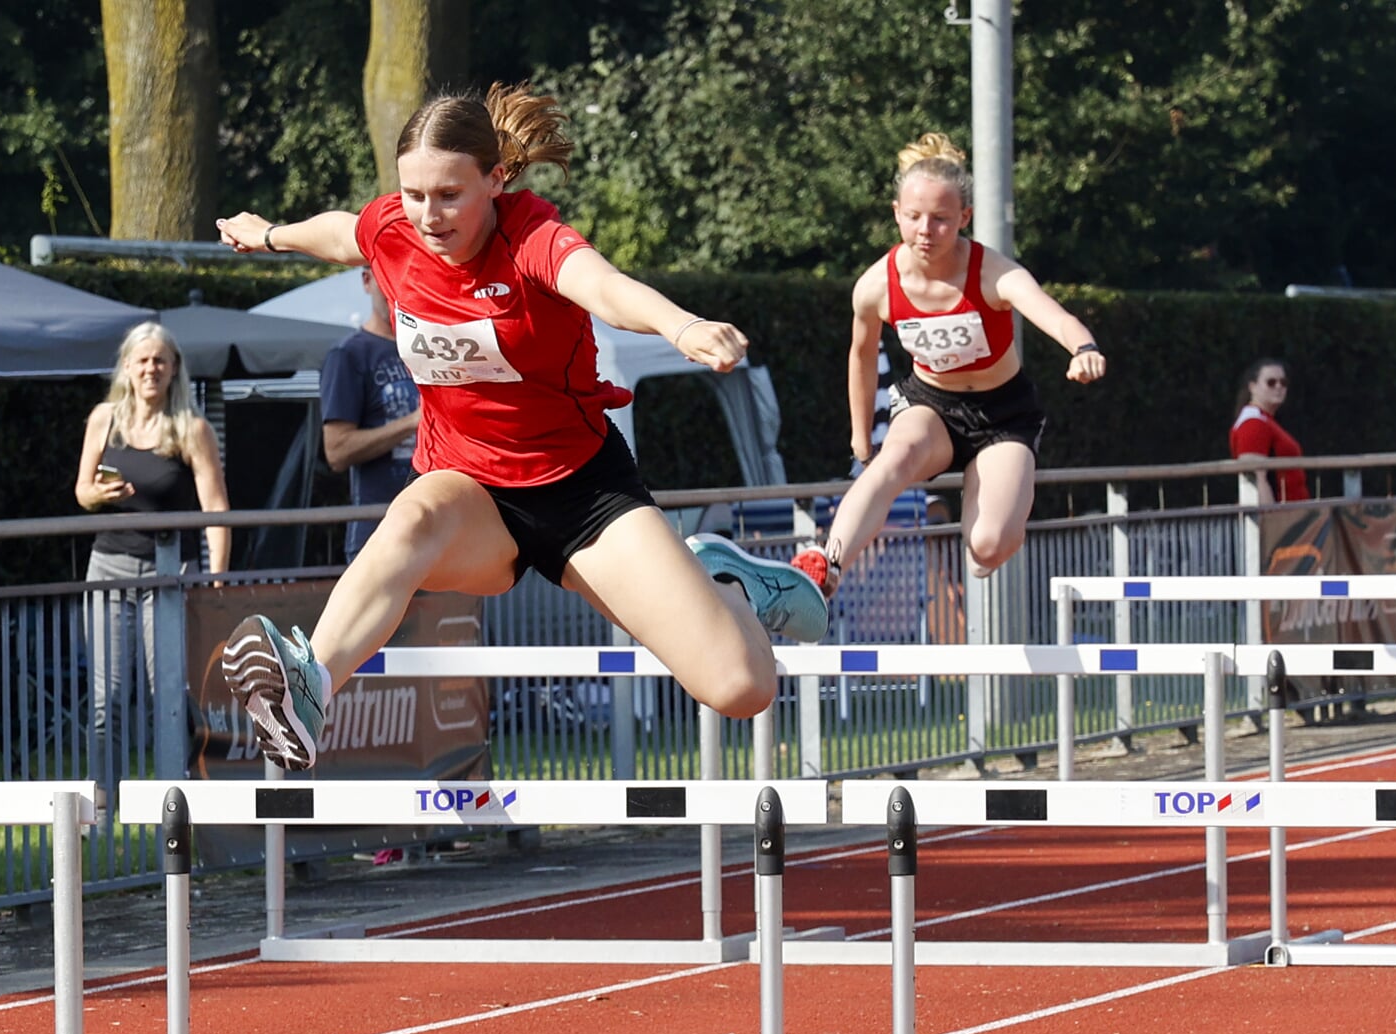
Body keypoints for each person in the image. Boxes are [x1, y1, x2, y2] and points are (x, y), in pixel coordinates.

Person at [213, 82, 826, 770]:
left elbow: (604, 287)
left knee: (740, 686)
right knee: (411, 517)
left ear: (494, 180)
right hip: (469, 491)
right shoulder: (392, 230)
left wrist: (679, 324)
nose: (427, 215)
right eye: (413, 194)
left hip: (581, 496)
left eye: (448, 195)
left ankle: (726, 583)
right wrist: (266, 234)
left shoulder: (532, 237)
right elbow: (337, 232)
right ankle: (310, 683)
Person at [793, 133, 1106, 599]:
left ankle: (990, 546)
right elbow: (860, 355)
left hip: (1004, 414)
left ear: (964, 218)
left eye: (940, 220)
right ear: (896, 212)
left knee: (987, 545)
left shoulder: (993, 273)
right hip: (931, 406)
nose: (925, 231)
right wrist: (860, 434)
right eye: (914, 217)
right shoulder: (875, 286)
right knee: (889, 461)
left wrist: (1083, 348)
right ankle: (826, 567)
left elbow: (1051, 313)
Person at [74, 321, 232, 756]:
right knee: (107, 696)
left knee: (168, 693)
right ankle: (102, 806)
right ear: (126, 367)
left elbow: (216, 510)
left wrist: (217, 579)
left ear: (174, 367)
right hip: (108, 567)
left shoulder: (192, 429)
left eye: (160, 360)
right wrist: (100, 493)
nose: (151, 369)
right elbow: (82, 491)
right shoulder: (104, 420)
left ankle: (175, 797)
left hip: (170, 573)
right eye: (142, 360)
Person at [320, 268, 422, 559]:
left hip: (443, 530)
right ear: (367, 281)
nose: (397, 288)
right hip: (380, 534)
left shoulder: (432, 349)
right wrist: (413, 422)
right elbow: (337, 451)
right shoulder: (348, 355)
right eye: (387, 278)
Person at [1228, 358, 1307, 504]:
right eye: (1271, 382)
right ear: (1253, 387)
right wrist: (1269, 519)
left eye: (1283, 383)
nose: (1278, 387)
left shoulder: (1265, 420)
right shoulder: (1253, 422)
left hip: (1294, 515)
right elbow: (1255, 479)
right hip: (1282, 517)